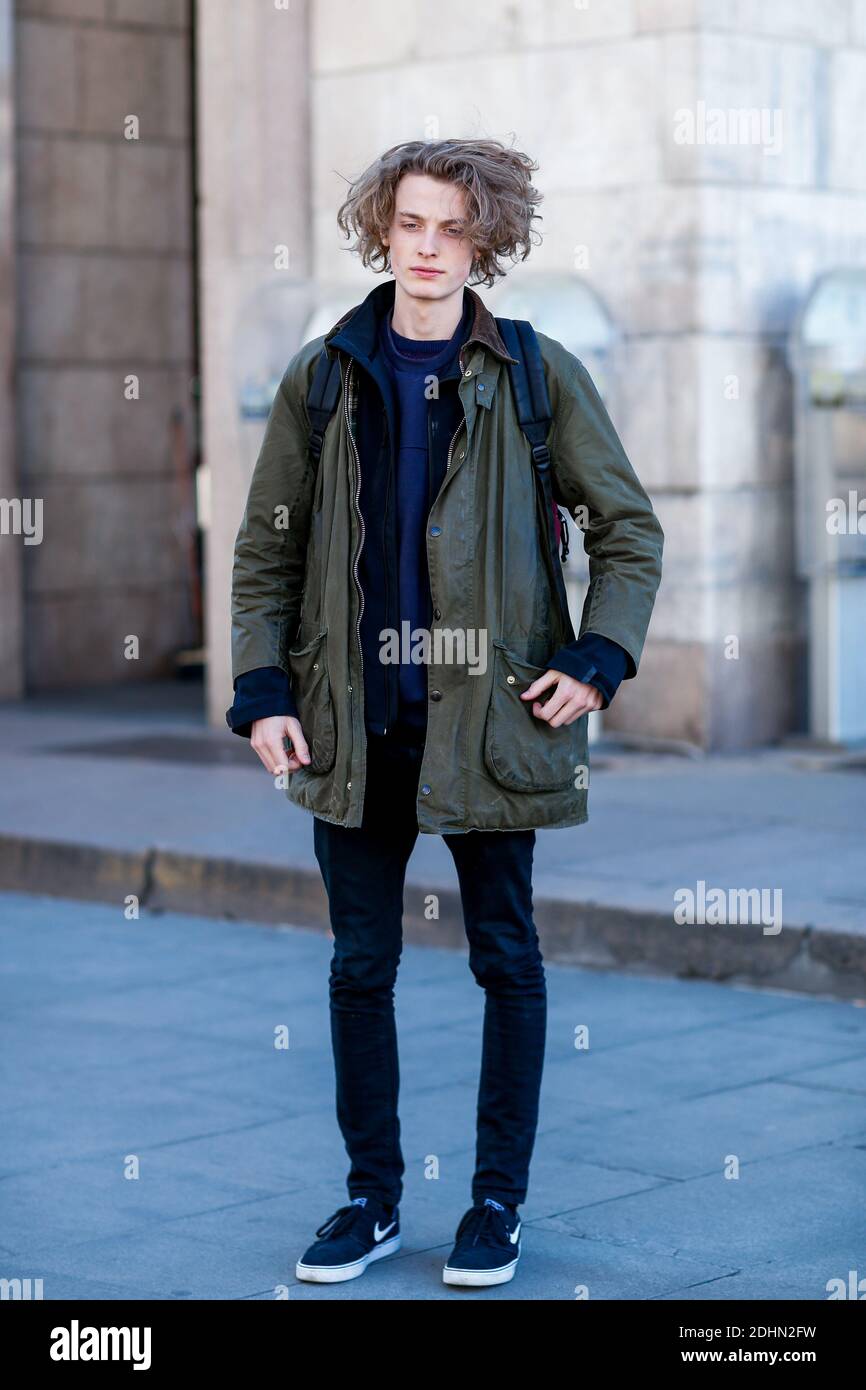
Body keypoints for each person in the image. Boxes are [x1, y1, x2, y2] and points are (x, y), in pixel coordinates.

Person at [226, 138, 664, 1288]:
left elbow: (626, 525)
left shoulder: (533, 372)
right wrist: (262, 688)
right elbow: (265, 550)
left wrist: (599, 654)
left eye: (452, 230)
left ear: (486, 241)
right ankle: (370, 1200)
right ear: (382, 230)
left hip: (491, 720)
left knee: (505, 962)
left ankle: (493, 1206)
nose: (427, 249)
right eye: (410, 225)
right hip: (351, 723)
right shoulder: (323, 373)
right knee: (357, 965)